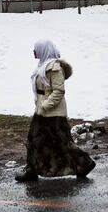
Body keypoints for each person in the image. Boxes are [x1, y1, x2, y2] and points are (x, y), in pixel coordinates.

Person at [15, 39, 96, 182]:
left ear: (44, 49)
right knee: (33, 141)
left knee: (63, 143)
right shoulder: (41, 66)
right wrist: (40, 106)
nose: (34, 51)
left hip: (54, 114)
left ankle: (85, 163)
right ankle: (31, 170)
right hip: (41, 112)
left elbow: (59, 91)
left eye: (36, 48)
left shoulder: (55, 68)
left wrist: (46, 105)